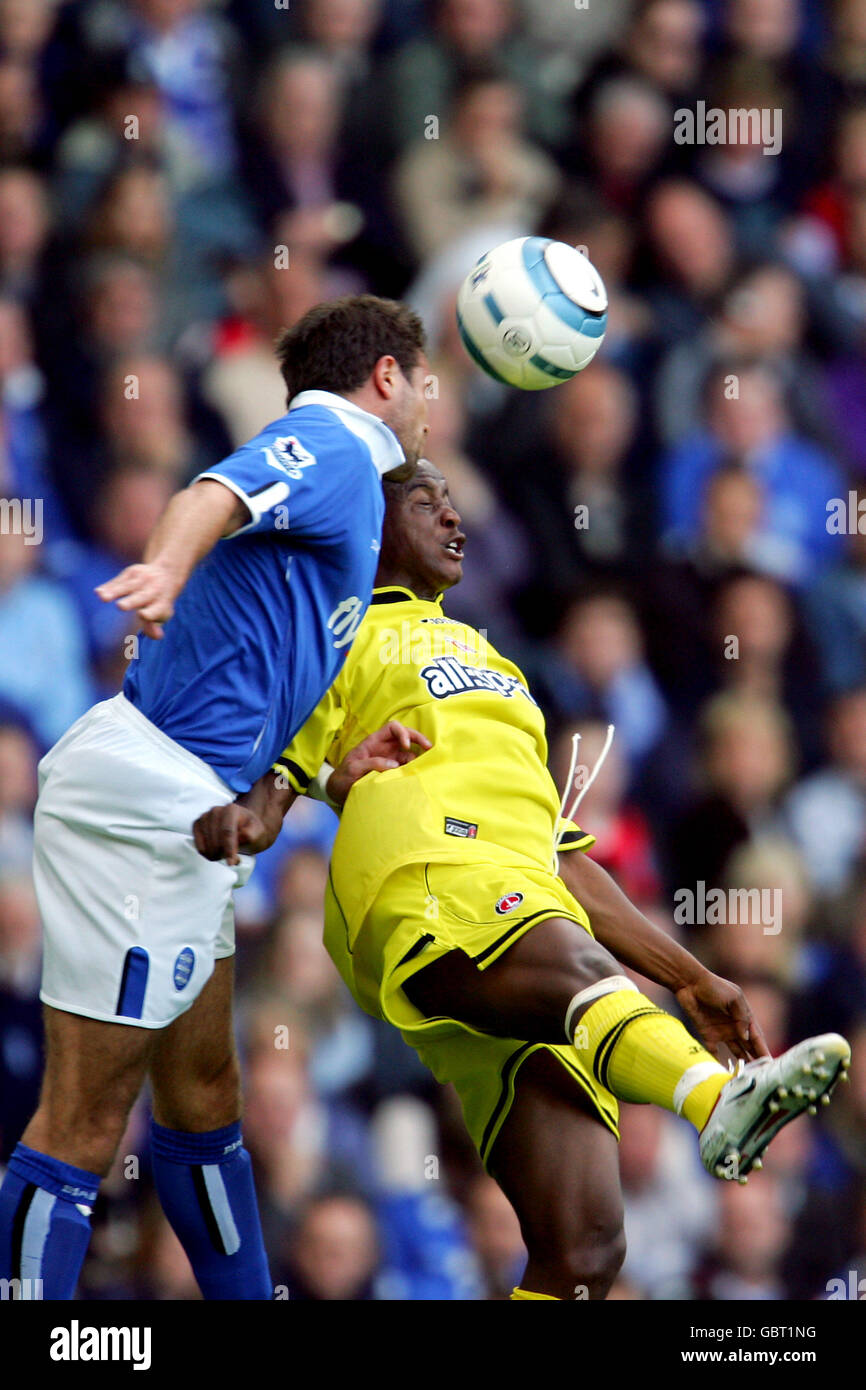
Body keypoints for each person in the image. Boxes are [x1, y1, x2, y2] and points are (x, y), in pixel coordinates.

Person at [194, 459, 851, 1301]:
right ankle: (715, 1100)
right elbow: (275, 786)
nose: (454, 518)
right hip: (426, 872)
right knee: (579, 971)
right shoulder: (333, 629)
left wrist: (691, 977)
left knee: (584, 1251)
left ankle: (702, 1091)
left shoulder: (499, 668)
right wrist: (233, 823)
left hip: (519, 897)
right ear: (369, 527)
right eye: (427, 502)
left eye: (457, 502)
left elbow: (566, 855)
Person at [0, 294, 430, 1301]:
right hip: (147, 795)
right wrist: (161, 565)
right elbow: (210, 494)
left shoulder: (348, 504)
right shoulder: (332, 440)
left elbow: (255, 676)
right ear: (383, 378)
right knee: (85, 1118)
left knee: (201, 1096)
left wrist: (328, 771)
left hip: (182, 800)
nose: (427, 405)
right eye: (421, 381)